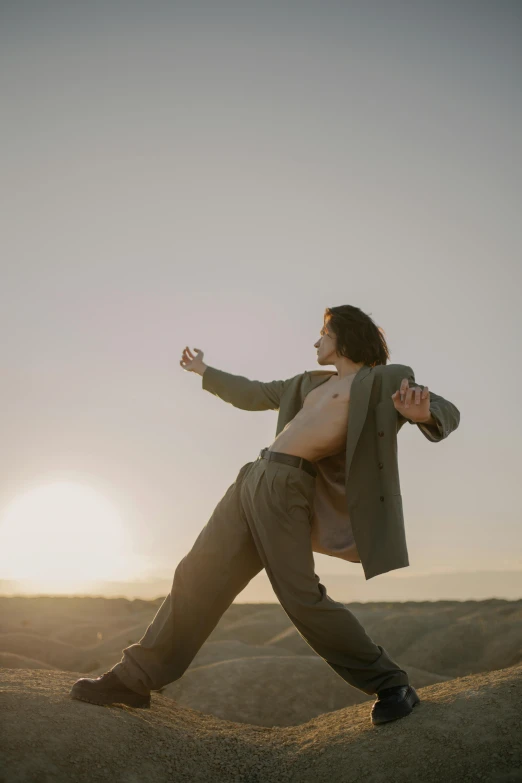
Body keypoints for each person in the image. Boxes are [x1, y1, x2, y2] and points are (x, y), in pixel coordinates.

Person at [70, 305, 460, 725]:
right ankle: (135, 680)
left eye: (323, 334)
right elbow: (252, 393)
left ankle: (392, 684)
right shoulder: (307, 384)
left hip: (289, 486)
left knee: (301, 598)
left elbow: (446, 409)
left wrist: (423, 415)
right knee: (195, 576)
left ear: (344, 337)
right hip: (253, 477)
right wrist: (204, 371)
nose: (315, 342)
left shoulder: (384, 378)